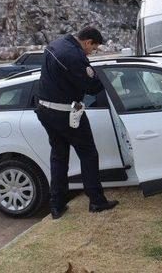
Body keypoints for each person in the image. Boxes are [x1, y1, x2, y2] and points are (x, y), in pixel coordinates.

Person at [36, 27, 118, 219]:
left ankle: (57, 205)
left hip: (45, 110)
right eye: (94, 48)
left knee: (59, 155)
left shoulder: (56, 44)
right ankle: (97, 201)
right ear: (88, 41)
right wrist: (102, 78)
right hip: (65, 113)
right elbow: (92, 87)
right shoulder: (74, 56)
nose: (92, 52)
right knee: (88, 153)